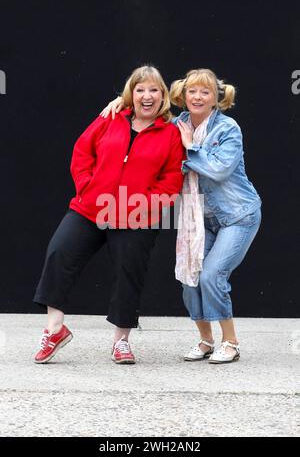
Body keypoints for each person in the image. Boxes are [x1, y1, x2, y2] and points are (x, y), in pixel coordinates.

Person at [101, 68, 262, 364]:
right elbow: (145, 122)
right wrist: (118, 106)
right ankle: (205, 340)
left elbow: (219, 169)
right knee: (191, 277)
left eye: (205, 92)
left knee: (212, 274)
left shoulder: (228, 128)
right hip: (200, 219)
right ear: (182, 95)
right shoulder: (175, 125)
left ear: (216, 98)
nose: (198, 97)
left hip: (238, 215)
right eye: (192, 91)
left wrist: (191, 148)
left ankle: (231, 342)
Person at [33, 65, 185, 365]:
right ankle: (54, 329)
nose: (147, 96)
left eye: (154, 90)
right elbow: (82, 152)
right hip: (92, 207)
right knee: (59, 252)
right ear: (131, 94)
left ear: (163, 96)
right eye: (140, 89)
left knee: (129, 272)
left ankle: (121, 340)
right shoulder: (110, 118)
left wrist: (138, 207)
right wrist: (88, 188)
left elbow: (170, 183)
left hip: (137, 216)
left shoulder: (170, 134)